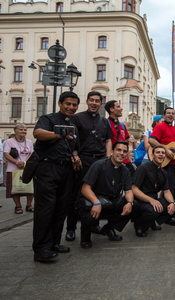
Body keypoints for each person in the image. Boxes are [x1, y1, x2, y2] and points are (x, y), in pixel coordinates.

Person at [32, 91, 82, 262]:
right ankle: (41, 249)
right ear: (60, 103)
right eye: (68, 104)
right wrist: (58, 134)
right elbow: (37, 133)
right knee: (45, 209)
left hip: (66, 170)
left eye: (74, 105)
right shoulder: (48, 119)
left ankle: (54, 243)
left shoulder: (73, 126)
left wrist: (75, 155)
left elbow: (75, 146)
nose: (71, 107)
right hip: (47, 168)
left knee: (61, 208)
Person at [65, 91, 114, 242]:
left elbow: (107, 141)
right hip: (82, 160)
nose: (94, 103)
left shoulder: (104, 121)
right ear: (87, 101)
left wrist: (107, 159)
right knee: (76, 194)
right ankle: (71, 229)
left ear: (101, 103)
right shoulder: (77, 118)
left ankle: (94, 224)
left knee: (98, 193)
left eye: (97, 101)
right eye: (91, 100)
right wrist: (75, 155)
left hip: (99, 161)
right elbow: (71, 139)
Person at [77, 141, 136, 249]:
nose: (121, 153)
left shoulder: (125, 170)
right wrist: (96, 202)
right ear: (111, 152)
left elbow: (128, 191)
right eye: (118, 150)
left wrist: (130, 203)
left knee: (133, 205)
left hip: (110, 202)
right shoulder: (99, 165)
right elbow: (85, 188)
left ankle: (109, 228)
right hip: (92, 201)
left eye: (124, 151)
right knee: (90, 216)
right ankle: (85, 238)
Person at [132, 146, 175, 237]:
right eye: (158, 152)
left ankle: (151, 221)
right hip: (141, 201)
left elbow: (167, 191)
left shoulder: (163, 172)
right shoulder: (143, 168)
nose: (161, 154)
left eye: (163, 153)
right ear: (152, 155)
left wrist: (172, 203)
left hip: (154, 200)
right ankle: (139, 225)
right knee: (154, 210)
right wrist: (151, 200)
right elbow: (134, 189)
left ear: (165, 156)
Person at [3, 124, 34, 214]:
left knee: (30, 187)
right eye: (21, 129)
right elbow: (6, 154)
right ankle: (18, 206)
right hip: (13, 168)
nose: (23, 131)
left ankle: (29, 205)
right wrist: (16, 162)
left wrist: (24, 162)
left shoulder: (29, 142)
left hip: (26, 167)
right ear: (15, 131)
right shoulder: (9, 141)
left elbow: (31, 153)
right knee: (14, 188)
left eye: (25, 130)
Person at [104, 100, 135, 175]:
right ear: (111, 109)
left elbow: (126, 144)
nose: (121, 108)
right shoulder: (105, 123)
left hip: (126, 161)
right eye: (118, 106)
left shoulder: (122, 125)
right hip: (114, 160)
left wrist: (131, 162)